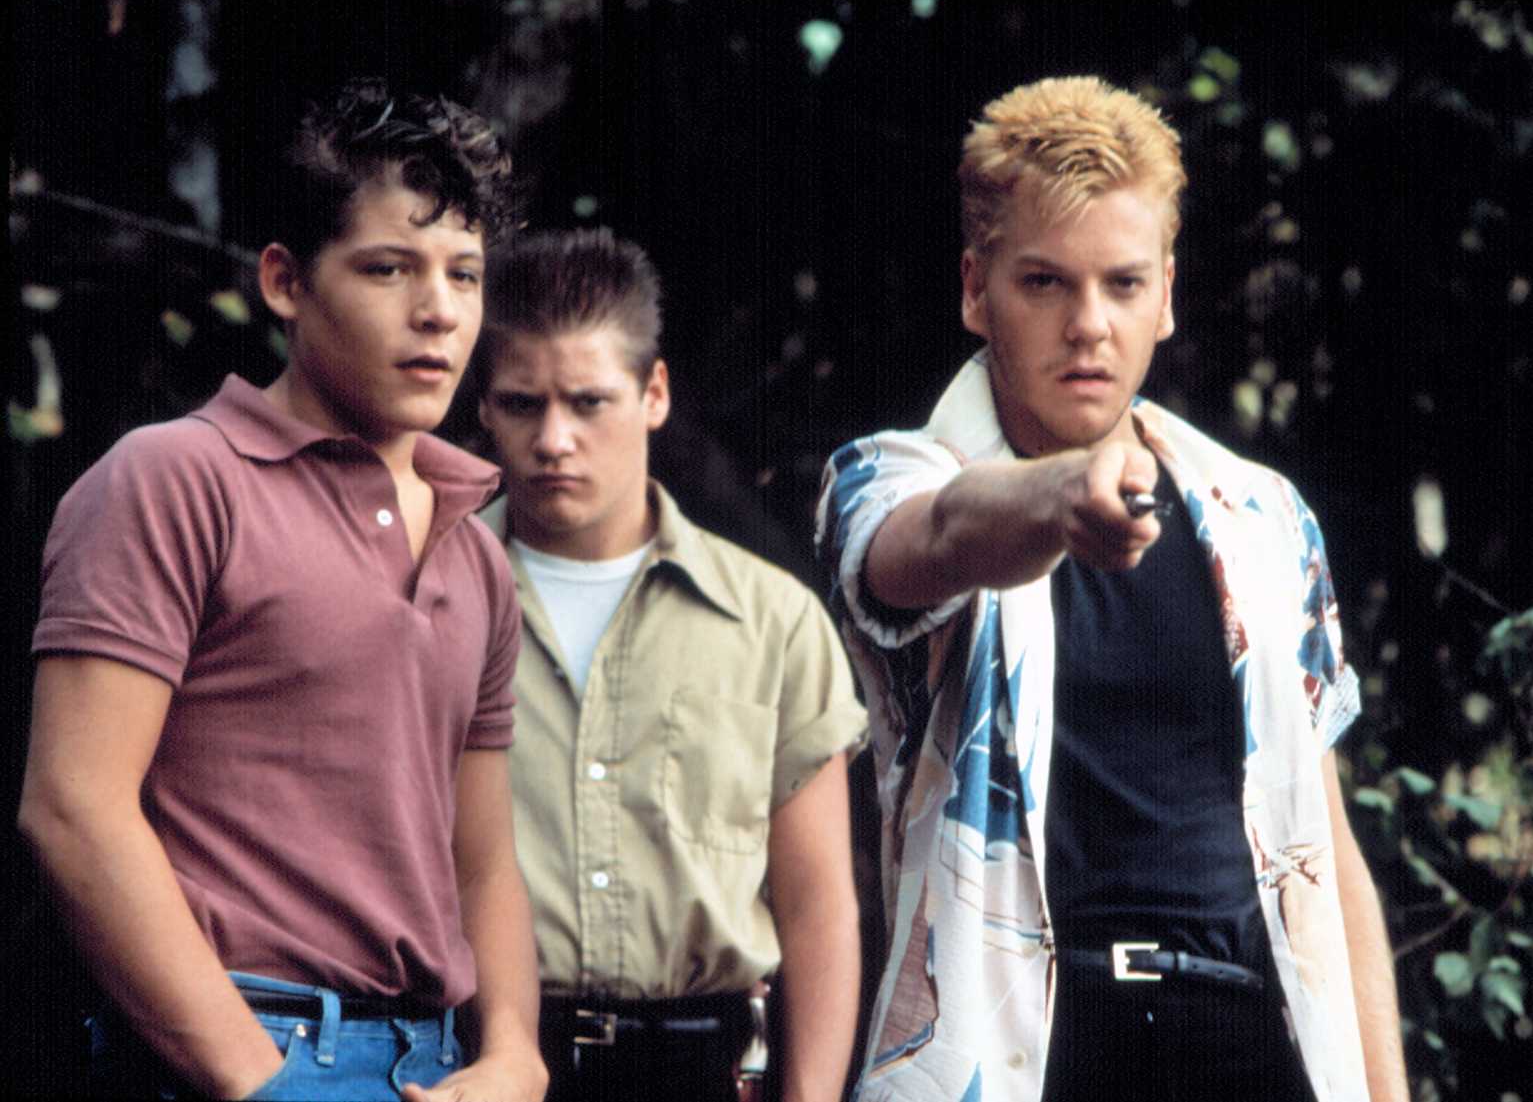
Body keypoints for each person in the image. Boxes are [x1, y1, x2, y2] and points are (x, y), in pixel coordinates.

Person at [817, 76, 1409, 1102]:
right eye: (1045, 283)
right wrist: (1062, 501)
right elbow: (938, 539)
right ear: (974, 288)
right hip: (1026, 1047)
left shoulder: (1264, 516)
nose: (1089, 325)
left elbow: (1322, 851)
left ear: (1166, 295)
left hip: (1245, 1044)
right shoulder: (889, 477)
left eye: (1122, 284)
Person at [19, 78, 547, 1102]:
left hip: (437, 1066)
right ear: (285, 282)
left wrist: (515, 1054)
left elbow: (481, 860)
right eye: (389, 268)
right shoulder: (175, 478)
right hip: (229, 1052)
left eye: (465, 274)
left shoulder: (477, 548)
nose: (438, 310)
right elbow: (73, 807)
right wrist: (263, 1084)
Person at [472, 228, 866, 1102]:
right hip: (487, 1059)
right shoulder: (433, 600)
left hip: (703, 1062)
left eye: (588, 401)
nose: (554, 439)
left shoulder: (770, 621)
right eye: (522, 404)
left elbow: (819, 906)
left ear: (654, 393)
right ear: (485, 410)